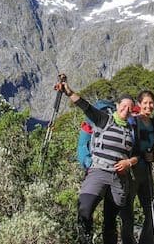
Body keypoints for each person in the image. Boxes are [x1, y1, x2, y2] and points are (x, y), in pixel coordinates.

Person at [59, 76, 139, 244]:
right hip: (99, 172)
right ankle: (85, 241)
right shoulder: (105, 119)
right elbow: (86, 107)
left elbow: (136, 155)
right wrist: (69, 92)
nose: (126, 109)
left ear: (132, 111)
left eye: (129, 108)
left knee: (110, 222)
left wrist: (129, 163)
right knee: (84, 210)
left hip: (119, 178)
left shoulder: (131, 129)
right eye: (123, 105)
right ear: (117, 106)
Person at [121, 90, 154, 244]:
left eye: (151, 103)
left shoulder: (153, 123)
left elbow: (153, 148)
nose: (148, 106)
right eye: (145, 103)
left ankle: (146, 240)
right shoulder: (133, 122)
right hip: (132, 172)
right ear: (139, 104)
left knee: (153, 209)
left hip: (146, 171)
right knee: (127, 211)